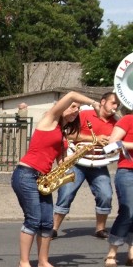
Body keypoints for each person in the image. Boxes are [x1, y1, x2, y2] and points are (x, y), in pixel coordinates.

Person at [11, 91, 103, 267]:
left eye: (78, 109)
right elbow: (70, 95)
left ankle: (43, 262)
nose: (75, 110)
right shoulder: (49, 119)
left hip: (43, 177)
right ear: (61, 109)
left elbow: (61, 162)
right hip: (26, 174)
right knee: (33, 219)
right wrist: (93, 103)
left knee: (46, 222)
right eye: (72, 107)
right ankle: (24, 263)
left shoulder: (62, 132)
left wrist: (80, 153)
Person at [51, 91, 120, 239]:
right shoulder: (85, 114)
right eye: (113, 103)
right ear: (102, 102)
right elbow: (68, 133)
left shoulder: (116, 122)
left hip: (99, 163)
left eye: (118, 104)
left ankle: (100, 229)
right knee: (66, 193)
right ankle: (54, 228)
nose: (116, 106)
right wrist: (94, 140)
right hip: (77, 161)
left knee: (105, 194)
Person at [104, 112, 133, 267]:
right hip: (128, 172)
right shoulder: (128, 119)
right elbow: (113, 142)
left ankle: (131, 252)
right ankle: (112, 252)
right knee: (128, 211)